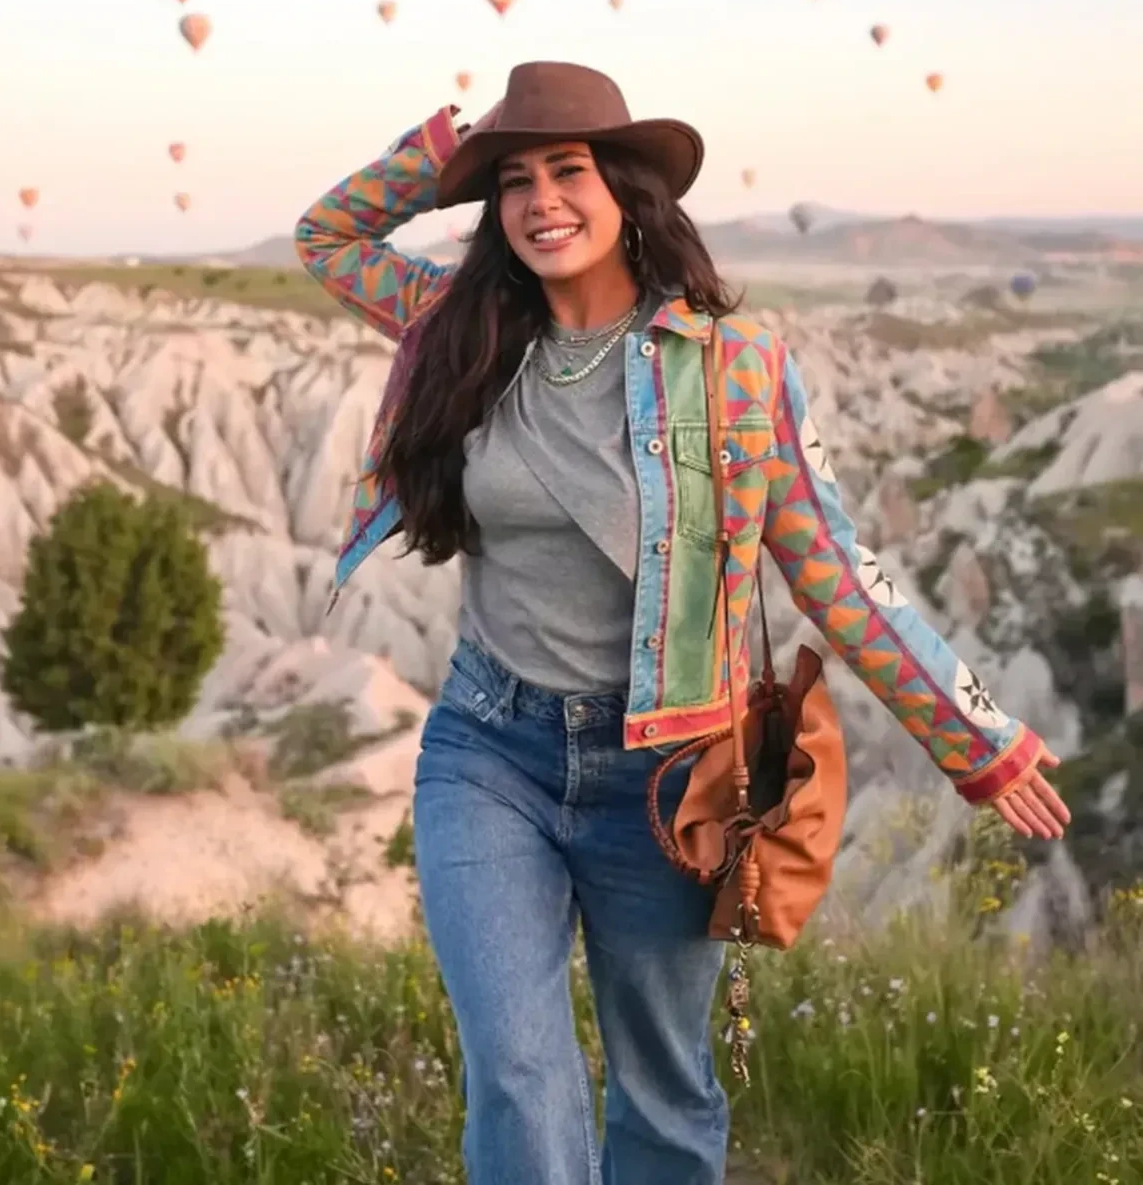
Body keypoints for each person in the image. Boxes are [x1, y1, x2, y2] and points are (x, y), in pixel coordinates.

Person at [295, 60, 1071, 1185]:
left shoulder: (731, 365)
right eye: (511, 180)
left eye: (568, 169)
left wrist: (976, 742)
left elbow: (836, 574)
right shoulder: (454, 329)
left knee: (662, 1087)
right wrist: (443, 147)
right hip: (487, 745)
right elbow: (327, 237)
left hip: (663, 779)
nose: (539, 200)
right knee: (516, 1067)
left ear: (627, 191)